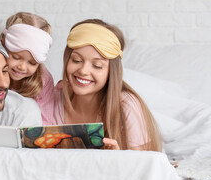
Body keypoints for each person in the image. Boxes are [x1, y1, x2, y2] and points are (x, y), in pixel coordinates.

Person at [48, 19, 162, 151]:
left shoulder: (127, 106)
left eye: (97, 66)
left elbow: (145, 165)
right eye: (76, 60)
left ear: (111, 72)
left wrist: (117, 158)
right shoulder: (54, 97)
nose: (83, 71)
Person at [0, 12, 55, 125]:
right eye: (16, 57)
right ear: (2, 44)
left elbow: (45, 120)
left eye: (32, 63)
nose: (22, 67)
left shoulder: (43, 80)